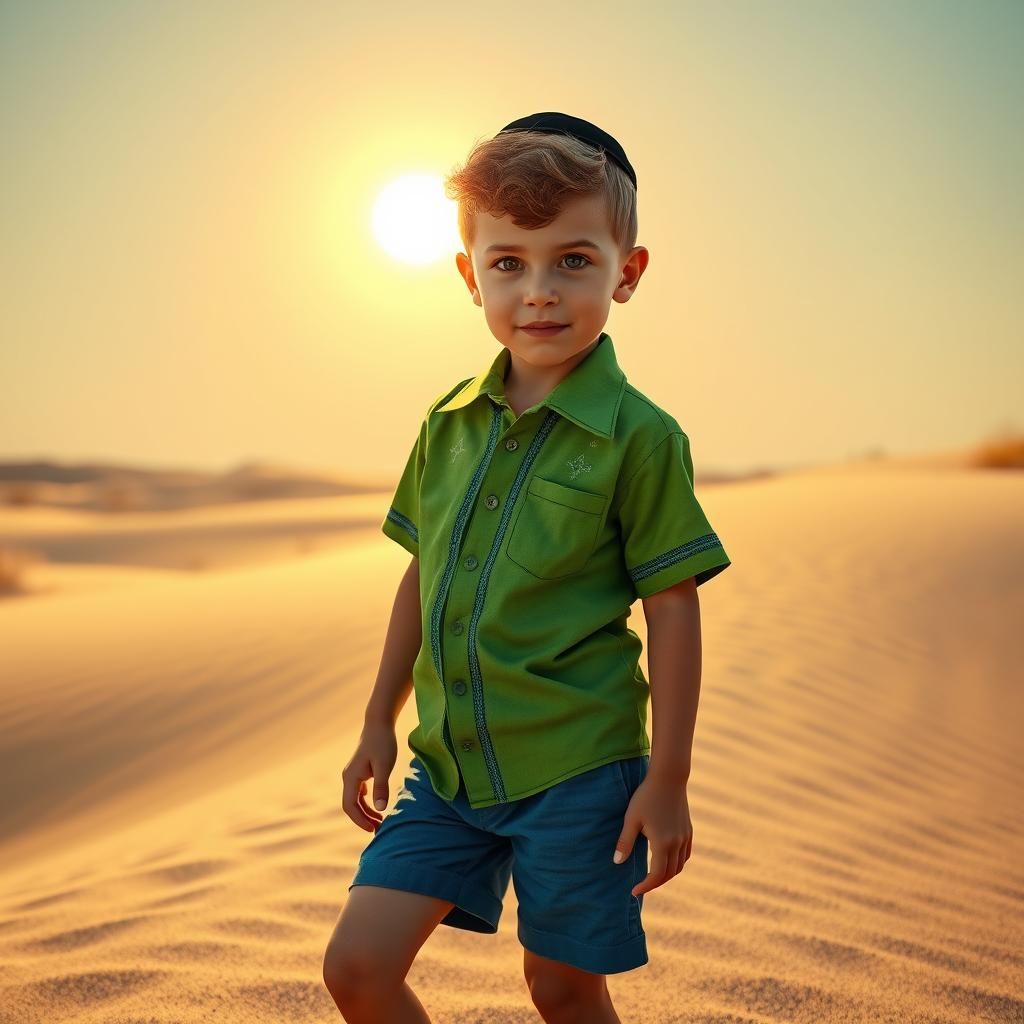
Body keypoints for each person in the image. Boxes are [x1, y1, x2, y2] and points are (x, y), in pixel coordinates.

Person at [323, 111, 732, 1024]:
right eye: (509, 263)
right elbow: (421, 576)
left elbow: (672, 607)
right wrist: (376, 722)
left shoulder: (643, 437)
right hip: (450, 769)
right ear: (470, 277)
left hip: (580, 773)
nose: (539, 292)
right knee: (356, 968)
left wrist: (669, 778)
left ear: (627, 272)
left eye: (573, 260)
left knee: (560, 990)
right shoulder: (446, 423)